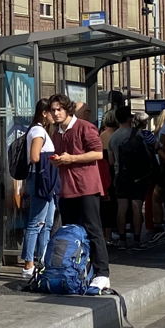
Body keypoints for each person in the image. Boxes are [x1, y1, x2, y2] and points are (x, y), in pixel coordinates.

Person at [49, 92, 112, 293]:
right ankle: (76, 269)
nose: (56, 113)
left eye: (59, 109)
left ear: (67, 109)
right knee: (71, 231)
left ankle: (102, 273)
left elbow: (98, 153)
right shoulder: (56, 132)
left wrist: (72, 159)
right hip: (67, 189)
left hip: (87, 187)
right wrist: (59, 160)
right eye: (53, 110)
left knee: (93, 229)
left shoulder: (85, 127)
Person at [15, 98, 58, 280]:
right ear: (44, 113)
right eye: (52, 111)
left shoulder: (40, 130)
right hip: (41, 179)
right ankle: (28, 264)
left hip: (43, 179)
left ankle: (42, 259)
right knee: (36, 223)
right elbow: (34, 156)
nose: (55, 115)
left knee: (47, 223)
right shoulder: (39, 131)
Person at [108, 112, 152, 250]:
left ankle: (122, 240)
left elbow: (111, 161)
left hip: (121, 176)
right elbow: (148, 154)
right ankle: (137, 239)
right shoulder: (138, 134)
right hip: (138, 177)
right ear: (129, 119)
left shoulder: (113, 137)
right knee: (136, 207)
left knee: (122, 208)